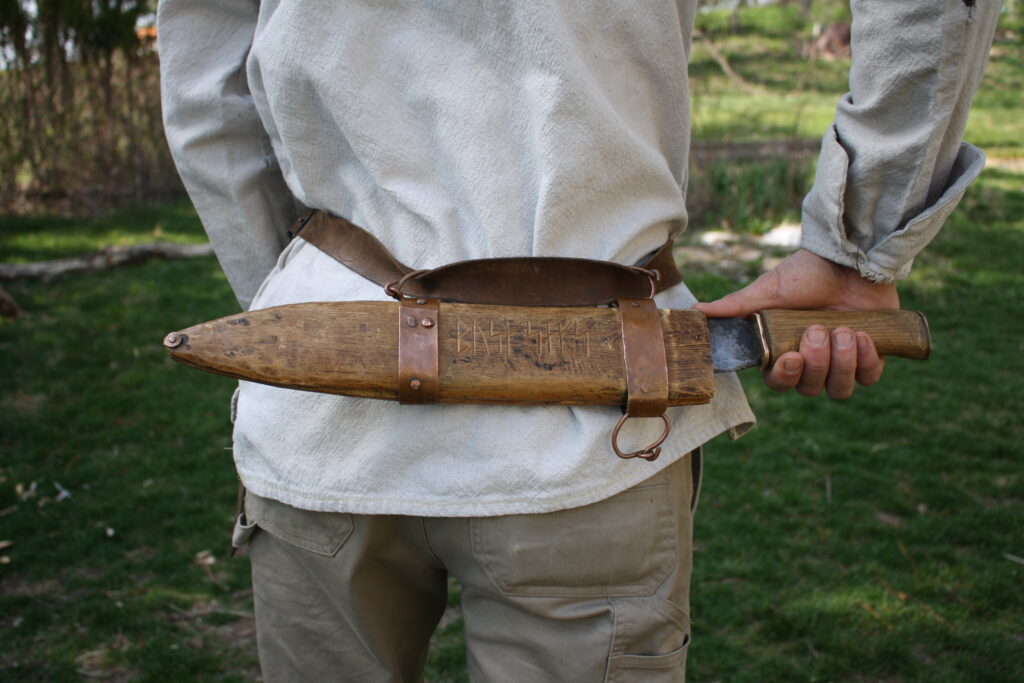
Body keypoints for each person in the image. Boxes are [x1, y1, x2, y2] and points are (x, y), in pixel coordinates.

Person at [157, 1, 1001, 680]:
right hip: (589, 446)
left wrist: (311, 303)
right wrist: (861, 240)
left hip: (340, 424)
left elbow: (206, 93)